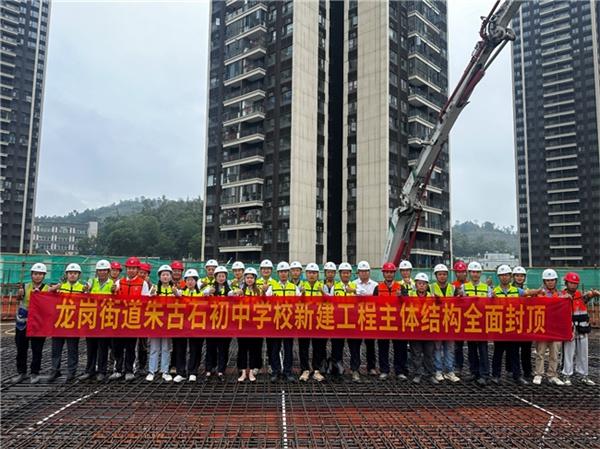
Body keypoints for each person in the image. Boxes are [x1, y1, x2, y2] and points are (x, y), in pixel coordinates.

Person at [490, 265, 536, 385]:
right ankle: (496, 375)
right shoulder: (494, 292)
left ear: (510, 277)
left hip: (513, 326)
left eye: (506, 275)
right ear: (499, 277)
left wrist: (539, 291)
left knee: (514, 352)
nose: (504, 277)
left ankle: (517, 376)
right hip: (499, 326)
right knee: (498, 353)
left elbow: (527, 293)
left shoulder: (516, 291)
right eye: (502, 275)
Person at [111, 256, 149, 381]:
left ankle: (128, 370)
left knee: (130, 346)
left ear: (138, 270)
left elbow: (145, 302)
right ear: (126, 269)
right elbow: (113, 300)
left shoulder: (142, 283)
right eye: (129, 268)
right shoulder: (118, 282)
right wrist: (113, 292)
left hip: (133, 319)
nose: (131, 270)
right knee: (118, 346)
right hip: (120, 319)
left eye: (134, 268)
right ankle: (117, 369)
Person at [48, 263, 85, 382]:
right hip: (60, 322)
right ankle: (55, 370)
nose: (72, 275)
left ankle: (71, 372)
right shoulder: (60, 287)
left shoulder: (83, 288)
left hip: (73, 324)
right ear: (66, 275)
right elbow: (47, 296)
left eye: (75, 273)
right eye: (70, 273)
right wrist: (53, 289)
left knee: (72, 349)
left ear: (79, 275)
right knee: (56, 348)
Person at [561, 272, 599, 386]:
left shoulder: (580, 295)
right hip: (569, 329)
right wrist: (563, 298)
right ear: (566, 283)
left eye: (575, 283)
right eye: (571, 283)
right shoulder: (561, 295)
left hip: (582, 328)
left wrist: (593, 294)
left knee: (583, 353)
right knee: (568, 352)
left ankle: (584, 375)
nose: (573, 285)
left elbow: (587, 297)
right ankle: (566, 375)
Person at [14, 262, 49, 384]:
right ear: (31, 274)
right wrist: (19, 295)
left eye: (40, 274)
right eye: (35, 274)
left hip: (38, 324)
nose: (37, 276)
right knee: (21, 348)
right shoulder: (24, 287)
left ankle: (35, 373)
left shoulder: (47, 288)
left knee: (37, 349)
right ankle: (21, 372)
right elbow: (18, 299)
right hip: (23, 322)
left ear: (44, 275)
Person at [80, 260, 114, 381]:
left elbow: (116, 296)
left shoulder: (112, 284)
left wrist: (115, 291)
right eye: (100, 270)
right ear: (97, 271)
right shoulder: (92, 282)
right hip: (92, 319)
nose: (102, 272)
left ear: (108, 272)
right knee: (91, 346)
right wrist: (86, 289)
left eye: (105, 270)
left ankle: (102, 371)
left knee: (102, 346)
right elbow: (86, 289)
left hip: (105, 319)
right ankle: (89, 370)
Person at [146, 265, 180, 382]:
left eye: (167, 275)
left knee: (166, 347)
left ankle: (164, 371)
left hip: (168, 323)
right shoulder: (155, 288)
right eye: (163, 275)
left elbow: (181, 300)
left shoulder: (174, 289)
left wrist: (176, 294)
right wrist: (152, 295)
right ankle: (152, 371)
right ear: (159, 277)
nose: (165, 277)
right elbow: (147, 300)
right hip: (156, 321)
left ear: (170, 277)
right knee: (154, 347)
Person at [533, 269, 565, 386]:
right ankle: (539, 374)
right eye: (548, 280)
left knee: (554, 353)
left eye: (552, 280)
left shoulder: (561, 295)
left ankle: (552, 375)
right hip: (542, 327)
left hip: (555, 328)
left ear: (555, 281)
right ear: (544, 281)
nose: (550, 282)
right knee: (540, 352)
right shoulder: (539, 294)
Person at [377, 262, 408, 381]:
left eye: (391, 272)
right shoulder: (378, 288)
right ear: (383, 273)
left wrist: (401, 297)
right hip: (383, 322)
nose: (389, 274)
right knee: (383, 347)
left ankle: (399, 371)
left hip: (397, 322)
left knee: (400, 347)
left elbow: (408, 304)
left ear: (394, 274)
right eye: (387, 272)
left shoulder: (401, 287)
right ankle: (384, 370)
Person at [462, 261, 491, 386]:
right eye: (473, 272)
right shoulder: (464, 287)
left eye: (477, 272)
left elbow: (490, 305)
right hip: (469, 322)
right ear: (469, 273)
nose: (475, 274)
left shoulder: (487, 288)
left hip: (482, 323)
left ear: (480, 274)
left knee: (483, 349)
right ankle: (474, 372)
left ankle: (484, 374)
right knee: (472, 349)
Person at [172, 268, 204, 382]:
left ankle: (193, 371)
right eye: (188, 280)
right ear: (185, 281)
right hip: (182, 325)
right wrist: (175, 294)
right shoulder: (180, 293)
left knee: (195, 348)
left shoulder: (201, 294)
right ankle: (181, 372)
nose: (190, 282)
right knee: (180, 348)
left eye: (192, 280)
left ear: (196, 281)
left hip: (196, 325)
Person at [269, 261, 299, 383]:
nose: (283, 274)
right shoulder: (272, 288)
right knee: (275, 349)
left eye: (285, 272)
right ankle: (276, 371)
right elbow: (264, 304)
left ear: (289, 273)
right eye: (281, 272)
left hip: (288, 323)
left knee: (288, 348)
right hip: (276, 323)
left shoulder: (294, 288)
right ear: (278, 273)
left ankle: (287, 371)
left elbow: (299, 305)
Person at [430, 264, 460, 383]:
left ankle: (449, 371)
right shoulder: (430, 287)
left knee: (450, 348)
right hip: (436, 321)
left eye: (444, 274)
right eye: (440, 274)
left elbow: (459, 303)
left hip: (450, 321)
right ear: (436, 275)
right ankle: (438, 370)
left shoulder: (453, 288)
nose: (442, 276)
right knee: (437, 348)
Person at [233, 267, 263, 382]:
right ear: (244, 279)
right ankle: (243, 371)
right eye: (247, 277)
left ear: (255, 279)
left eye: (251, 277)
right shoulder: (239, 290)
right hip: (243, 324)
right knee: (242, 348)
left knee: (254, 348)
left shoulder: (259, 291)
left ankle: (251, 371)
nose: (249, 280)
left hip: (256, 324)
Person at [203, 266, 232, 382]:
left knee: (223, 348)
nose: (221, 278)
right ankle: (209, 369)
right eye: (219, 276)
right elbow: (202, 295)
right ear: (215, 277)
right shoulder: (210, 288)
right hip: (212, 323)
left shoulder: (229, 289)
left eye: (223, 276)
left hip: (225, 324)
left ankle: (221, 370)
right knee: (210, 347)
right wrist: (207, 292)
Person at [352, 260, 379, 382]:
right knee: (355, 345)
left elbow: (378, 302)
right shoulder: (352, 285)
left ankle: (371, 367)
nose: (363, 273)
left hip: (369, 318)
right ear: (358, 272)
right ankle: (355, 369)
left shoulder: (375, 285)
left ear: (369, 272)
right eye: (361, 271)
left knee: (370, 344)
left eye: (366, 271)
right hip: (356, 318)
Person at [408, 273, 437, 384]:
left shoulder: (431, 296)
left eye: (424, 284)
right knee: (416, 353)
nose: (421, 286)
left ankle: (430, 374)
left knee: (429, 353)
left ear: (427, 285)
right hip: (415, 329)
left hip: (428, 329)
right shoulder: (410, 295)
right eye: (419, 283)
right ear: (416, 284)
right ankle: (417, 374)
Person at [299, 263, 326, 382]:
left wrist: (323, 293)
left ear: (317, 275)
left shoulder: (322, 286)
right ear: (306, 274)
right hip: (304, 320)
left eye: (314, 273)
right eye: (309, 272)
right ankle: (305, 369)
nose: (311, 275)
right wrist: (301, 294)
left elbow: (330, 302)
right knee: (303, 346)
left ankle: (316, 370)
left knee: (318, 346)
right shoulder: (300, 286)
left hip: (318, 321)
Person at [331, 262, 357, 379]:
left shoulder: (356, 286)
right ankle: (337, 370)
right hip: (338, 321)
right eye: (343, 273)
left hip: (352, 321)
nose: (345, 275)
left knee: (354, 347)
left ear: (350, 274)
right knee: (337, 346)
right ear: (340, 274)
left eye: (347, 273)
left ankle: (355, 369)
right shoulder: (335, 287)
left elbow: (363, 300)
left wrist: (354, 292)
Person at [452, 260, 468, 373]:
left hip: (469, 317)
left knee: (473, 345)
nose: (460, 274)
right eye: (458, 272)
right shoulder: (452, 286)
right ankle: (458, 365)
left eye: (462, 272)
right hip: (457, 318)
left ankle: (473, 368)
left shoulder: (470, 285)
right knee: (457, 345)